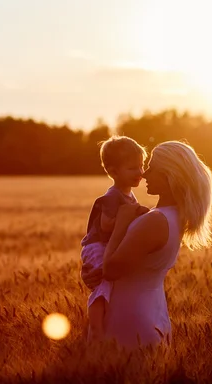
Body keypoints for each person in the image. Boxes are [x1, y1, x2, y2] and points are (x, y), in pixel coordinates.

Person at [81, 140, 212, 349]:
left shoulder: (156, 221)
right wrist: (91, 272)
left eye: (152, 168)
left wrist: (122, 222)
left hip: (129, 323)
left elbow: (111, 269)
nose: (145, 174)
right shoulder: (172, 216)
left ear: (170, 175)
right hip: (151, 315)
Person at [80, 135, 149, 341]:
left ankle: (107, 324)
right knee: (102, 284)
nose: (140, 173)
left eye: (141, 166)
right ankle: (95, 328)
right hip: (97, 246)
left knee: (111, 286)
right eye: (132, 168)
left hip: (107, 245)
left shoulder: (128, 195)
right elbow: (106, 225)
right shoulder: (112, 196)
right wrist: (133, 215)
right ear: (112, 171)